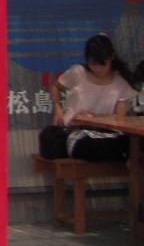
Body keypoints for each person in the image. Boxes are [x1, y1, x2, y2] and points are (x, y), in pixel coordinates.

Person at [39, 33, 138, 161]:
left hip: (105, 133)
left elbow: (120, 119)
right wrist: (57, 109)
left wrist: (95, 118)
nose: (98, 69)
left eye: (102, 64)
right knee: (50, 136)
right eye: (93, 64)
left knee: (123, 144)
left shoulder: (121, 83)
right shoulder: (78, 73)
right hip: (75, 130)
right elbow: (55, 86)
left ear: (112, 57)